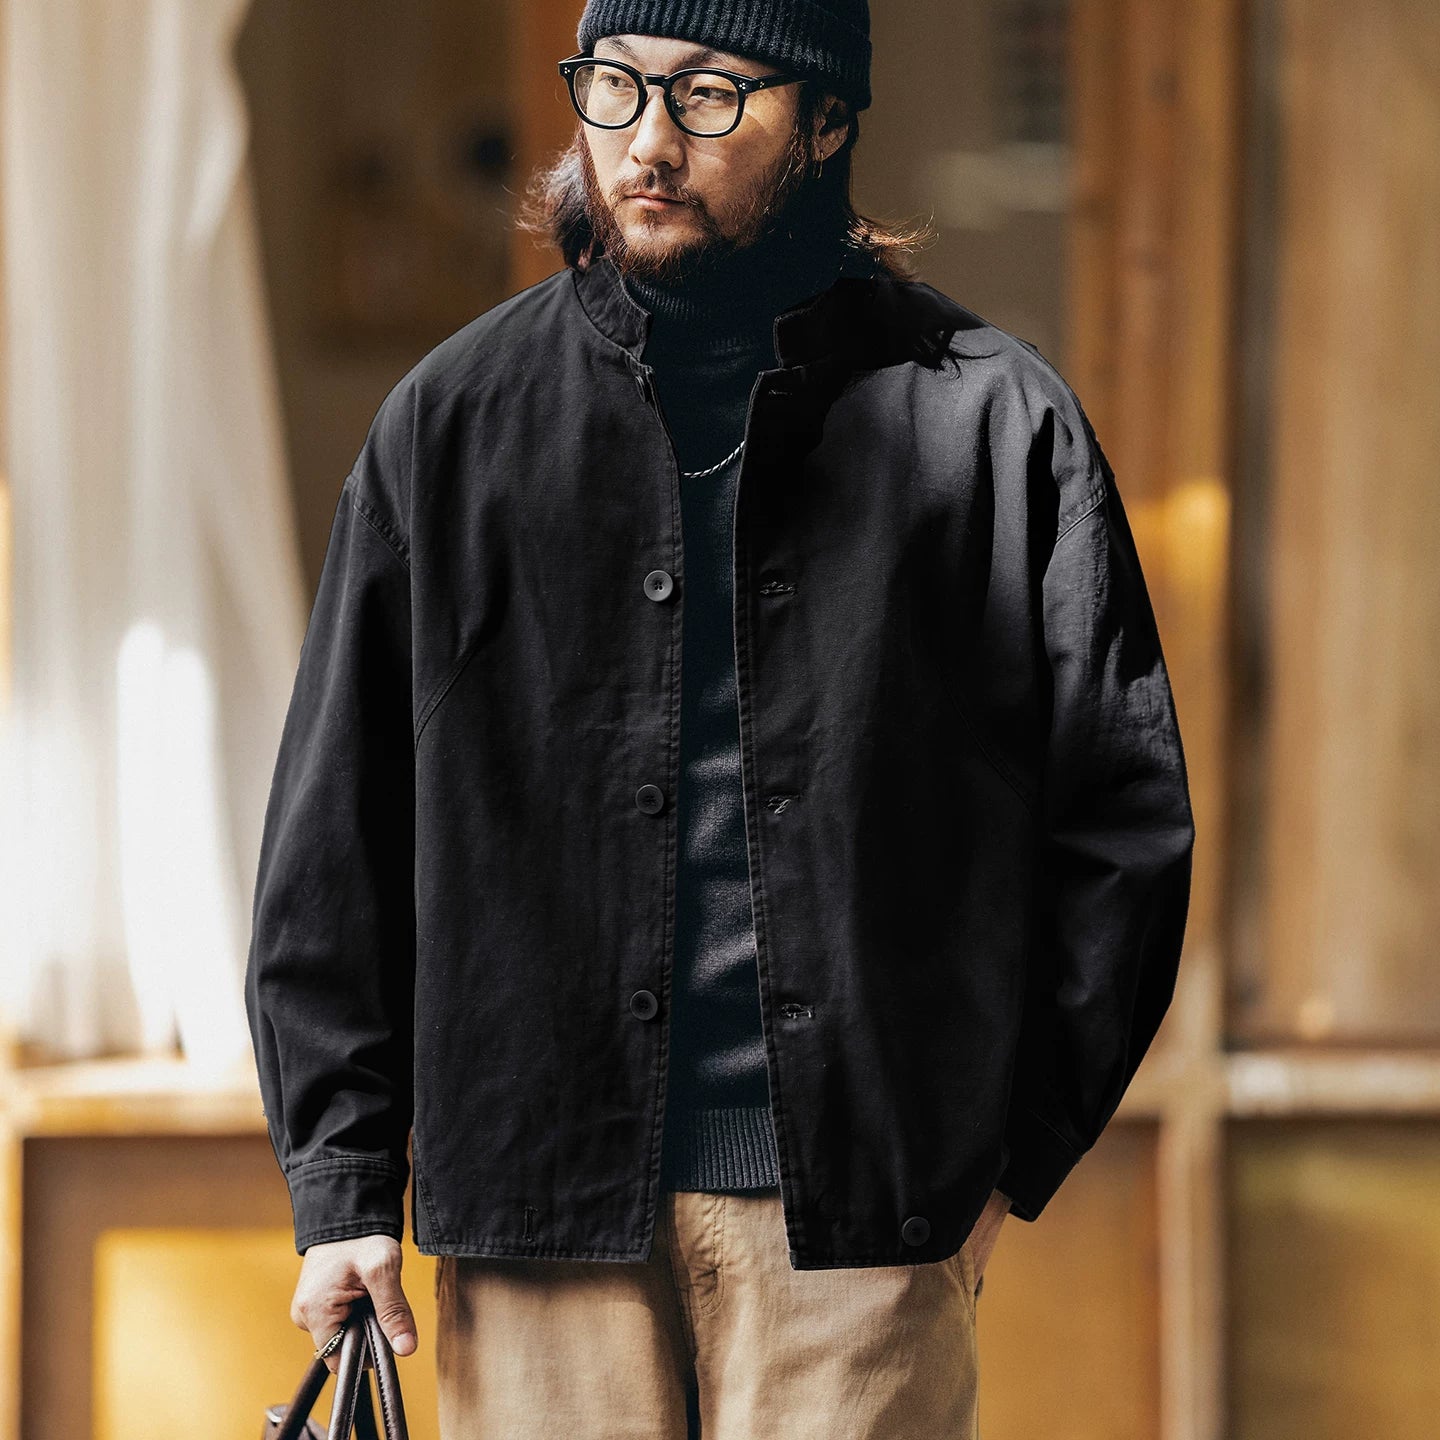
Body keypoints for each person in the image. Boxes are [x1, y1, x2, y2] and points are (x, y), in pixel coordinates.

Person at [244, 2, 1196, 1435]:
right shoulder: (449, 427)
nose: (647, 142)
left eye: (708, 95)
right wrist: (342, 1186)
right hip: (541, 1207)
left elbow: (1120, 822)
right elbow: (336, 837)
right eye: (615, 88)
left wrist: (1001, 1157)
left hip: (860, 1223)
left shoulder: (995, 425)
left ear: (826, 120)